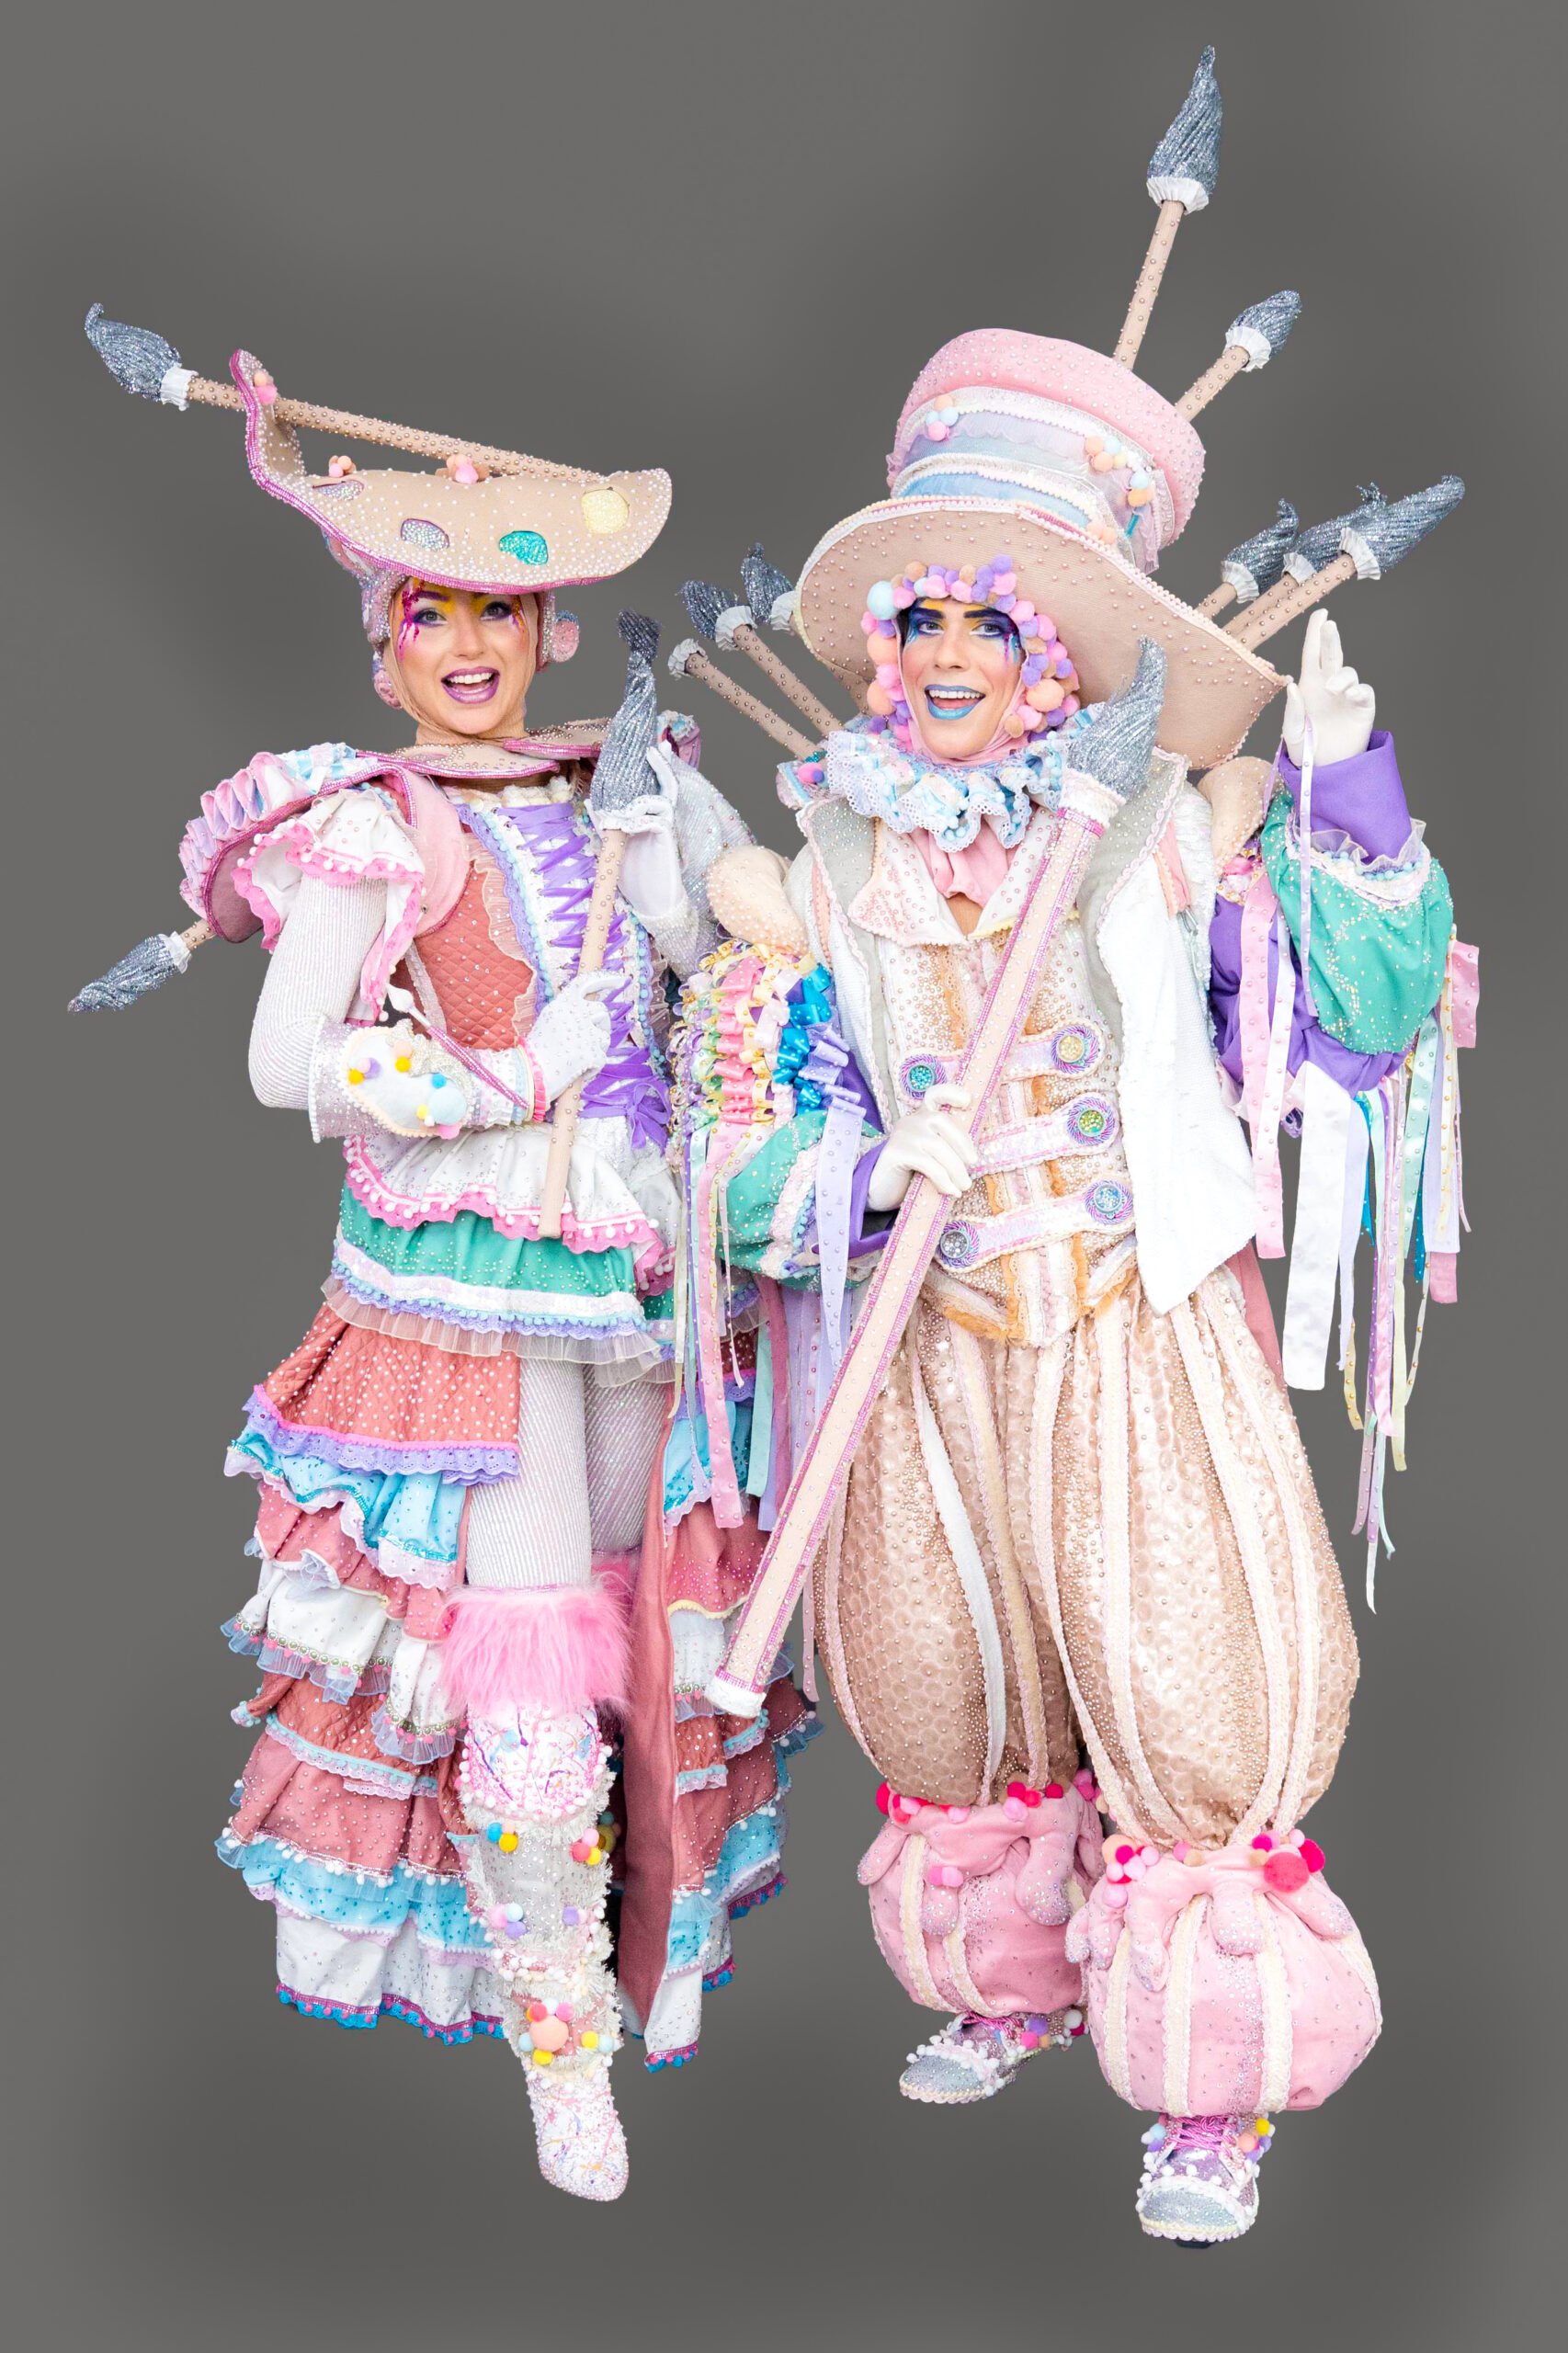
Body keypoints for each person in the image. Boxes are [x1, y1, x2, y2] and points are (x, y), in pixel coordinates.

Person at [669, 200, 1471, 2241]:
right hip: (928, 1337)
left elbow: (1361, 1010)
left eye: (989, 626)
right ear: (882, 651)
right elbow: (731, 1138)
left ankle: (1212, 2087)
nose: (946, 657)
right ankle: (1007, 1976)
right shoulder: (816, 869)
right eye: (920, 622)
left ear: (1055, 662)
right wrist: (864, 1170)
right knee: (943, 1675)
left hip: (1132, 1317)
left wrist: (1351, 795)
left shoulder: (1163, 837)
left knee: (1190, 1681)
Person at [73, 325, 804, 2202]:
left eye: (496, 610)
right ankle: (564, 2054)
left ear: (546, 628)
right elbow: (284, 1060)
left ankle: (647, 1968)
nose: (465, 646)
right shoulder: (366, 825)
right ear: (381, 642)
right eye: (429, 615)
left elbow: (731, 968)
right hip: (469, 1273)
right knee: (528, 1655)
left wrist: (695, 889)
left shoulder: (627, 778)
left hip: (650, 1262)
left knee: (660, 1622)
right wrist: (508, 1078)